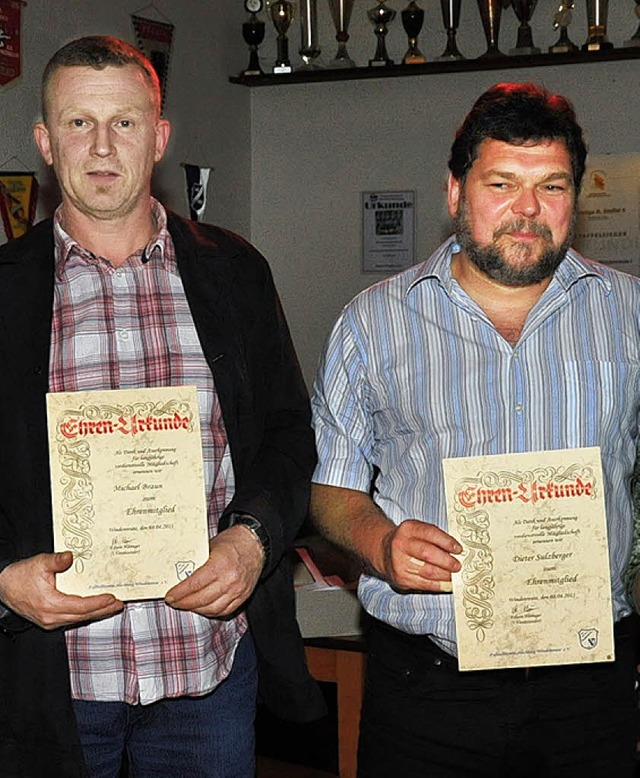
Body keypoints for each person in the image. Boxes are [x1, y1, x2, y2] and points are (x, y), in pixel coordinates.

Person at [0, 35, 324, 778]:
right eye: (79, 123)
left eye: (126, 122)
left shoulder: (235, 274)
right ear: (47, 142)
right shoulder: (6, 291)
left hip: (204, 674)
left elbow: (287, 434)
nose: (103, 145)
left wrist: (252, 539)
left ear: (160, 136)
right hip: (55, 683)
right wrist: (3, 578)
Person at [310, 82, 640, 778]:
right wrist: (382, 542)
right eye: (502, 183)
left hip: (589, 693)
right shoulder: (373, 324)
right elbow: (331, 490)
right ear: (456, 193)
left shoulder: (629, 314)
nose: (528, 209)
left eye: (552, 185)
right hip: (427, 692)